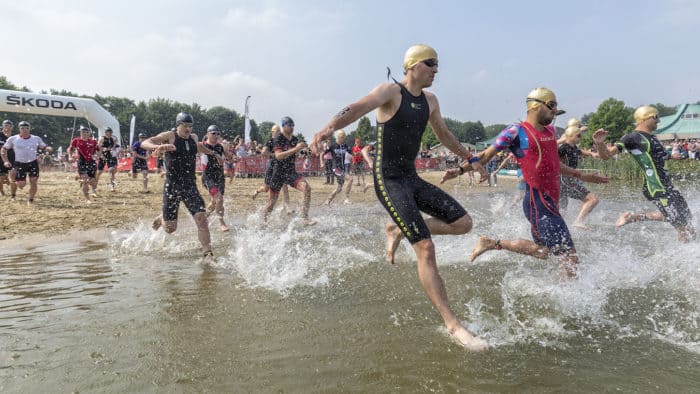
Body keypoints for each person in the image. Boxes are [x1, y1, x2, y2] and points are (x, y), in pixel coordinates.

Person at [310, 44, 488, 351]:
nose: (436, 69)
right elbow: (356, 108)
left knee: (463, 223)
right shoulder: (390, 92)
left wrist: (471, 160)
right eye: (431, 63)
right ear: (413, 65)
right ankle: (453, 325)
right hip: (388, 180)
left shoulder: (430, 100)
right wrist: (327, 129)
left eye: (437, 64)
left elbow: (444, 136)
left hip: (411, 178)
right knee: (425, 248)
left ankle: (396, 229)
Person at [446, 87, 609, 278]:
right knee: (571, 261)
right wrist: (459, 170)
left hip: (550, 201)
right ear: (534, 105)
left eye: (555, 107)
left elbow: (554, 164)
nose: (555, 111)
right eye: (551, 106)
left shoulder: (550, 131)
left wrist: (581, 175)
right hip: (538, 203)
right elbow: (485, 155)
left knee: (542, 251)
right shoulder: (516, 131)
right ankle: (566, 303)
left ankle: (491, 243)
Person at [596, 105, 696, 242]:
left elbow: (659, 156)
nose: (658, 121)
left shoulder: (652, 138)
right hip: (656, 187)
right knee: (683, 228)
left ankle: (632, 217)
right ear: (644, 118)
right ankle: (685, 259)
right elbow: (606, 156)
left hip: (667, 186)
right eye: (656, 117)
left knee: (687, 219)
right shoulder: (632, 137)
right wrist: (599, 144)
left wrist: (672, 156)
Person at [141, 112, 216, 261]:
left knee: (201, 218)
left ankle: (208, 254)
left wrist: (215, 154)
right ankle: (162, 217)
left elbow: (200, 147)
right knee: (170, 229)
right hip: (172, 185)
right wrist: (159, 146)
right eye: (185, 126)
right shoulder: (171, 135)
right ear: (178, 125)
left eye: (190, 126)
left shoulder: (193, 138)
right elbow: (145, 143)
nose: (188, 129)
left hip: (190, 185)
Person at [264, 116, 315, 225]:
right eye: (289, 125)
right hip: (278, 172)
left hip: (290, 172)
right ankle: (263, 221)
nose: (292, 127)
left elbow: (298, 154)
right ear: (283, 126)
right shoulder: (278, 138)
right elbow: (278, 156)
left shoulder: (295, 140)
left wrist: (307, 152)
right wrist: (296, 149)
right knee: (271, 203)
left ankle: (304, 218)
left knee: (307, 188)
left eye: (293, 125)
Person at [557, 118, 600, 229]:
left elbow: (580, 152)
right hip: (566, 180)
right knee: (593, 199)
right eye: (579, 136)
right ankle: (578, 221)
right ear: (570, 136)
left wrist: (591, 154)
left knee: (562, 211)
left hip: (566, 180)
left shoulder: (573, 147)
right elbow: (554, 162)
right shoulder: (563, 148)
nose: (581, 138)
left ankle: (560, 227)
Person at [1, 121, 48, 204]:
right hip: (19, 163)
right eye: (22, 128)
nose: (24, 130)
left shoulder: (36, 138)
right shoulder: (13, 139)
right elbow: (3, 150)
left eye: (27, 128)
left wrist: (48, 149)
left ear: (30, 129)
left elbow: (44, 146)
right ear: (19, 129)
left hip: (33, 163)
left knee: (33, 181)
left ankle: (31, 200)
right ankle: (13, 194)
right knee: (21, 185)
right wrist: (5, 161)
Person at [201, 125, 234, 231]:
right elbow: (198, 148)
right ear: (207, 134)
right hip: (208, 177)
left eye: (218, 133)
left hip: (219, 177)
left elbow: (229, 157)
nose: (216, 135)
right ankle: (221, 222)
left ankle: (204, 217)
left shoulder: (221, 146)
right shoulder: (203, 145)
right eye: (213, 133)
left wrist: (233, 158)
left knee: (215, 202)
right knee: (219, 199)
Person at [251, 125, 291, 210]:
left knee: (284, 186)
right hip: (272, 166)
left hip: (280, 167)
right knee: (266, 188)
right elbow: (263, 152)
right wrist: (274, 155)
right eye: (277, 131)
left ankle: (287, 206)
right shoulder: (270, 141)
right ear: (273, 132)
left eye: (280, 131)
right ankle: (257, 191)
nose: (279, 133)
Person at [68, 125, 101, 203]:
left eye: (86, 132)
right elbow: (70, 149)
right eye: (83, 132)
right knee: (85, 180)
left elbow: (98, 150)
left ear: (89, 133)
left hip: (92, 163)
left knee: (93, 182)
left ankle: (82, 180)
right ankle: (88, 199)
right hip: (82, 162)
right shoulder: (76, 140)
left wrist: (98, 156)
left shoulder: (93, 141)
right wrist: (70, 156)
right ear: (80, 133)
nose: (85, 134)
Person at [323, 129, 354, 205]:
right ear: (338, 137)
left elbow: (350, 155)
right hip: (335, 169)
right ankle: (346, 199)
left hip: (342, 169)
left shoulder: (345, 146)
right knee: (350, 179)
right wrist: (321, 162)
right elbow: (322, 154)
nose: (343, 139)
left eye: (344, 137)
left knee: (339, 188)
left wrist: (352, 163)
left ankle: (328, 200)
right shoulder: (332, 146)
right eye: (341, 137)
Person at [96, 126, 120, 191]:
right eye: (108, 132)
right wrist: (101, 155)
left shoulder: (114, 138)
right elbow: (98, 148)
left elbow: (115, 146)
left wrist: (114, 151)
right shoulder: (102, 138)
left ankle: (112, 186)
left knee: (112, 170)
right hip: (103, 155)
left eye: (110, 132)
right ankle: (95, 183)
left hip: (111, 155)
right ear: (105, 133)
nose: (109, 133)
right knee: (99, 171)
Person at [0, 119, 15, 197]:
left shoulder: (14, 137)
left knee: (13, 175)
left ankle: (13, 194)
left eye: (9, 126)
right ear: (3, 126)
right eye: (6, 125)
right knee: (1, 177)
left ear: (12, 127)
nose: (7, 127)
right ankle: (1, 190)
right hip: (1, 158)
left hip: (12, 158)